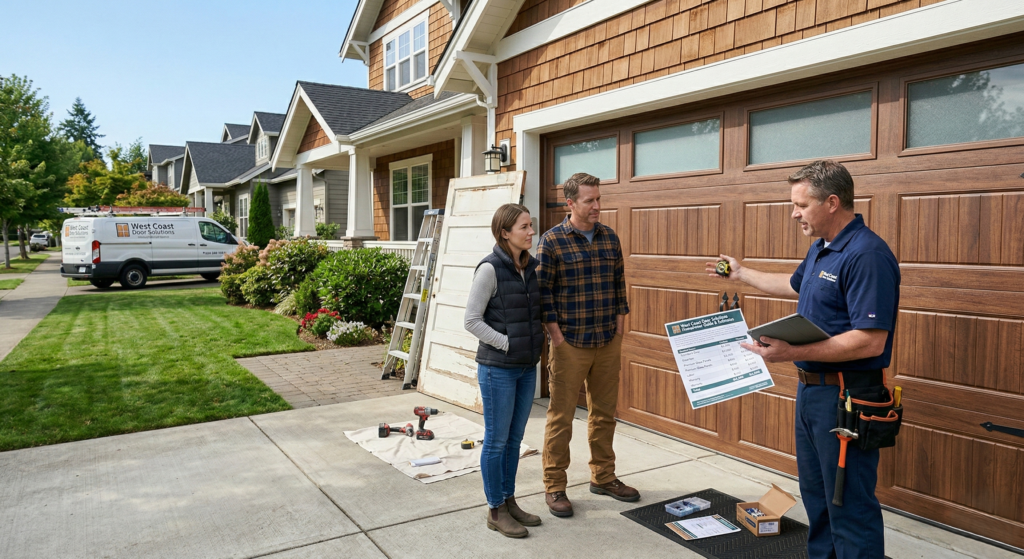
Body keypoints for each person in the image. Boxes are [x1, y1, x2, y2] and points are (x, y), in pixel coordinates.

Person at [707, 160, 899, 559]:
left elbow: (870, 341)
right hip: (813, 394)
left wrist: (792, 352)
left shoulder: (866, 254)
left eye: (801, 205)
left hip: (848, 397)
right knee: (819, 498)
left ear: (832, 202)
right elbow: (794, 285)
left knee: (849, 503)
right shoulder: (822, 249)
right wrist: (741, 274)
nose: (794, 213)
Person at [537, 172, 637, 518]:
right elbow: (544, 295)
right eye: (589, 200)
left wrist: (620, 328)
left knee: (604, 414)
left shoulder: (610, 237)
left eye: (598, 199)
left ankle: (604, 477)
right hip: (570, 343)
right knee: (561, 418)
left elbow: (619, 284)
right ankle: (554, 485)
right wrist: (557, 337)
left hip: (607, 340)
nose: (597, 206)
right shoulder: (552, 242)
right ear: (570, 203)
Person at [464, 203, 544, 538]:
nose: (531, 232)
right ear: (505, 233)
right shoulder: (490, 269)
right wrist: (507, 344)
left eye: (530, 225)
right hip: (498, 369)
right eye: (524, 227)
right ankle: (495, 510)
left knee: (514, 440)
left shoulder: (530, 267)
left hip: (526, 368)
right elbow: (472, 320)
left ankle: (509, 501)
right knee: (496, 441)